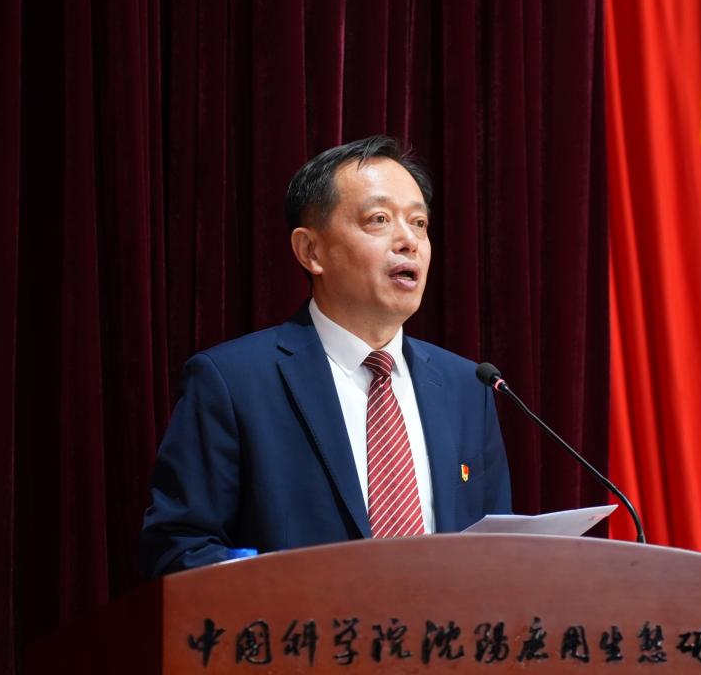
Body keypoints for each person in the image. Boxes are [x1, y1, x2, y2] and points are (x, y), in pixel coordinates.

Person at [140, 136, 511, 576]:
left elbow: (498, 552)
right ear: (310, 251)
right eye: (379, 219)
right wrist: (295, 590)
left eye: (419, 223)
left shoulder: (468, 387)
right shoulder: (233, 383)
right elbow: (179, 548)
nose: (409, 241)